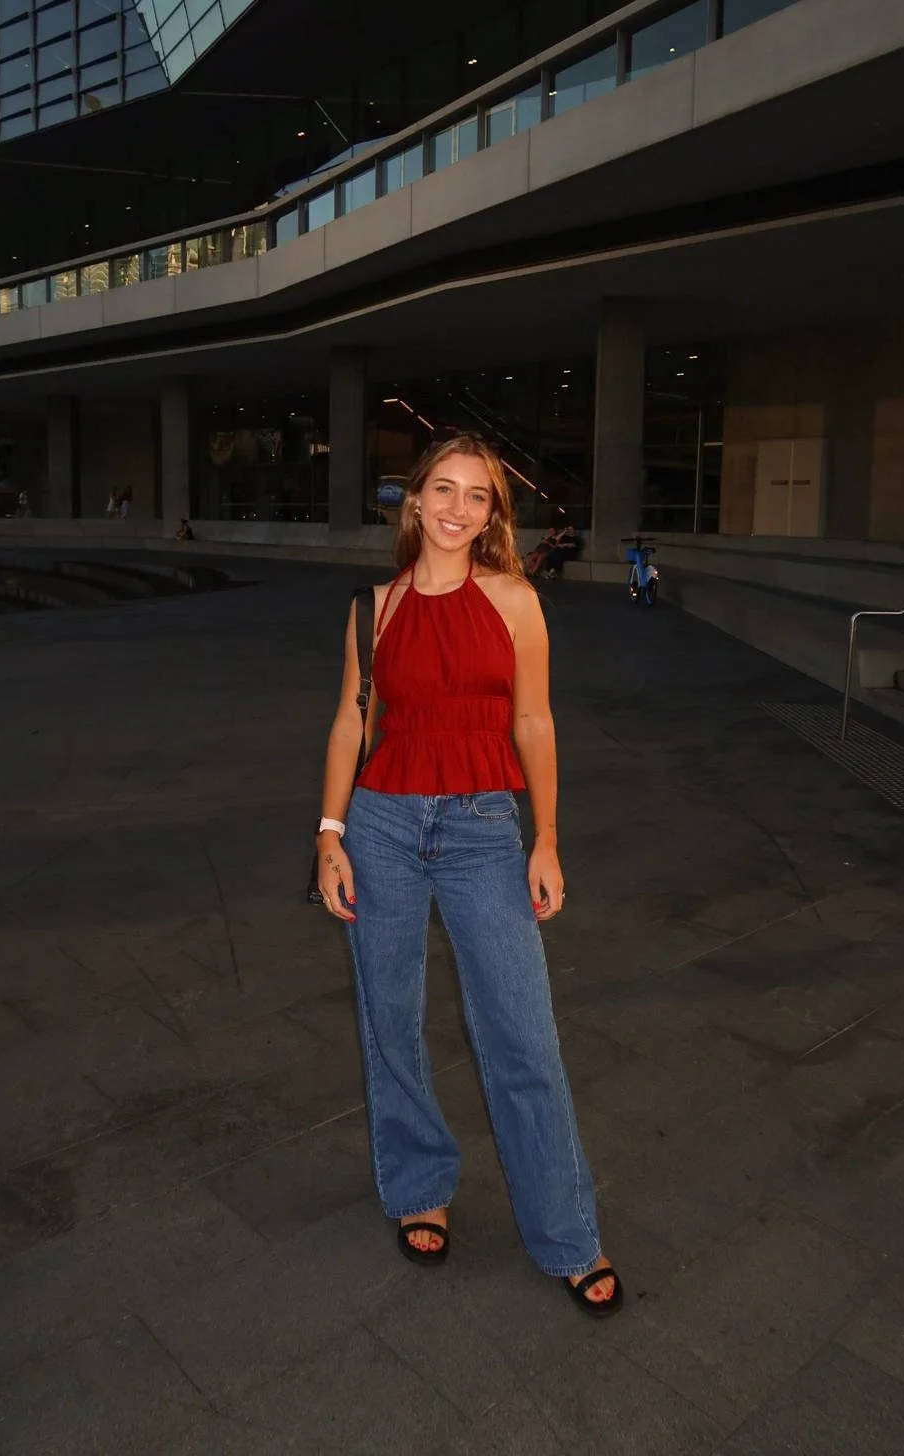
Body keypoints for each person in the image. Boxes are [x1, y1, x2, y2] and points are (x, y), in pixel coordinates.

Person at [315, 434, 622, 1317]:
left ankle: (567, 1233)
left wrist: (547, 839)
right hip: (380, 823)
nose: (457, 508)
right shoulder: (372, 607)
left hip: (486, 827)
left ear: (494, 512)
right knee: (392, 1019)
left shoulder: (516, 599)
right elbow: (349, 724)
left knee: (523, 1035)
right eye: (441, 490)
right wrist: (330, 836)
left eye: (477, 496)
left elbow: (536, 723)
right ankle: (419, 1185)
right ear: (413, 502)